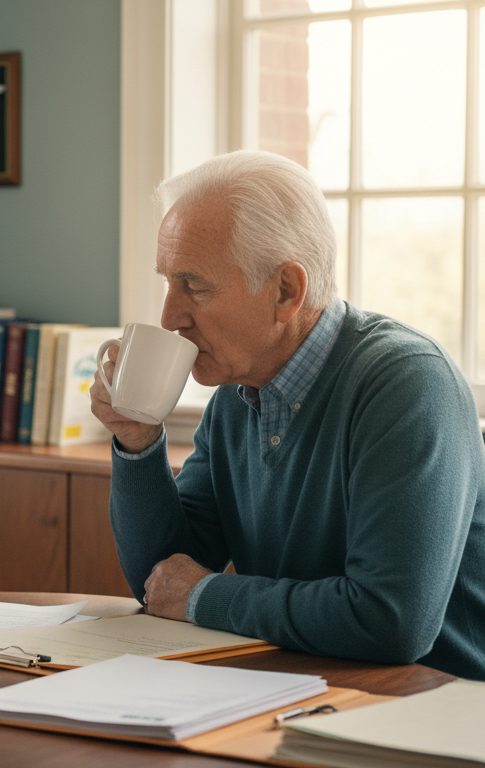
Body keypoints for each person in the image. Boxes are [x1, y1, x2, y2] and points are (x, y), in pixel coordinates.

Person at [91, 150, 485, 680]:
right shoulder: (235, 397)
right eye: (167, 281)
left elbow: (390, 621)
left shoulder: (408, 384)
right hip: (300, 693)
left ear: (286, 291)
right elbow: (161, 582)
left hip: (433, 714)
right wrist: (138, 441)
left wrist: (205, 596)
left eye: (195, 285)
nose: (170, 317)